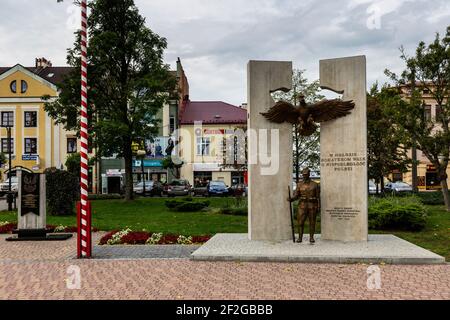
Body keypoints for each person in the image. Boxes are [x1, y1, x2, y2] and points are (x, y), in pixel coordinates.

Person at [287, 168, 320, 243]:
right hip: (302, 205)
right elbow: (296, 195)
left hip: (312, 205)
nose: (304, 176)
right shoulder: (299, 184)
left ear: (309, 174)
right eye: (303, 174)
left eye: (306, 174)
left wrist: (318, 206)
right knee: (300, 222)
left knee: (312, 222)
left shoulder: (315, 184)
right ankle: (300, 238)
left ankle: (311, 237)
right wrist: (291, 199)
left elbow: (318, 197)